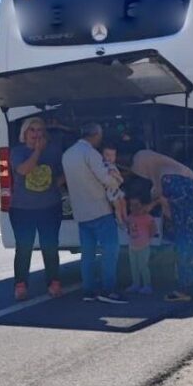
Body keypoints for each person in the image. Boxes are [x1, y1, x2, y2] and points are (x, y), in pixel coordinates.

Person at [126, 148, 193, 302]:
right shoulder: (171, 171)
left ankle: (189, 290)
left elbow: (176, 203)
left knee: (188, 252)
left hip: (190, 222)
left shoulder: (167, 178)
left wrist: (155, 204)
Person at [62, 123, 125, 304]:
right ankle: (108, 290)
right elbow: (106, 179)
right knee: (110, 250)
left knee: (87, 254)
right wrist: (117, 180)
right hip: (100, 210)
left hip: (81, 212)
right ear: (96, 135)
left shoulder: (67, 154)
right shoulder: (91, 154)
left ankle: (88, 291)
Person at [9, 117, 64, 301]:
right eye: (32, 130)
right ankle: (21, 285)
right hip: (22, 209)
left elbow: (62, 173)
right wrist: (37, 152)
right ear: (24, 134)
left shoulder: (54, 151)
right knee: (24, 248)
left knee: (50, 247)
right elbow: (23, 170)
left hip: (49, 207)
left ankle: (54, 282)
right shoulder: (18, 152)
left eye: (40, 130)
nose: (36, 134)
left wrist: (54, 185)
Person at [124, 193, 157, 295]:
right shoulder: (129, 217)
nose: (134, 208)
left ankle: (147, 285)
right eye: (131, 205)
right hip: (132, 246)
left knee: (143, 266)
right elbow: (127, 227)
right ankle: (136, 284)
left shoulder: (147, 217)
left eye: (137, 205)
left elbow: (153, 229)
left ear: (142, 205)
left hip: (144, 246)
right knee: (134, 266)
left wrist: (148, 238)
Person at [101, 144, 127, 225]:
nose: (110, 157)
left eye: (113, 155)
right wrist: (118, 177)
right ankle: (120, 221)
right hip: (111, 189)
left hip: (117, 188)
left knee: (123, 202)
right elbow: (118, 178)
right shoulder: (105, 166)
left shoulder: (113, 165)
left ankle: (125, 218)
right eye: (107, 155)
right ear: (102, 155)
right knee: (117, 206)